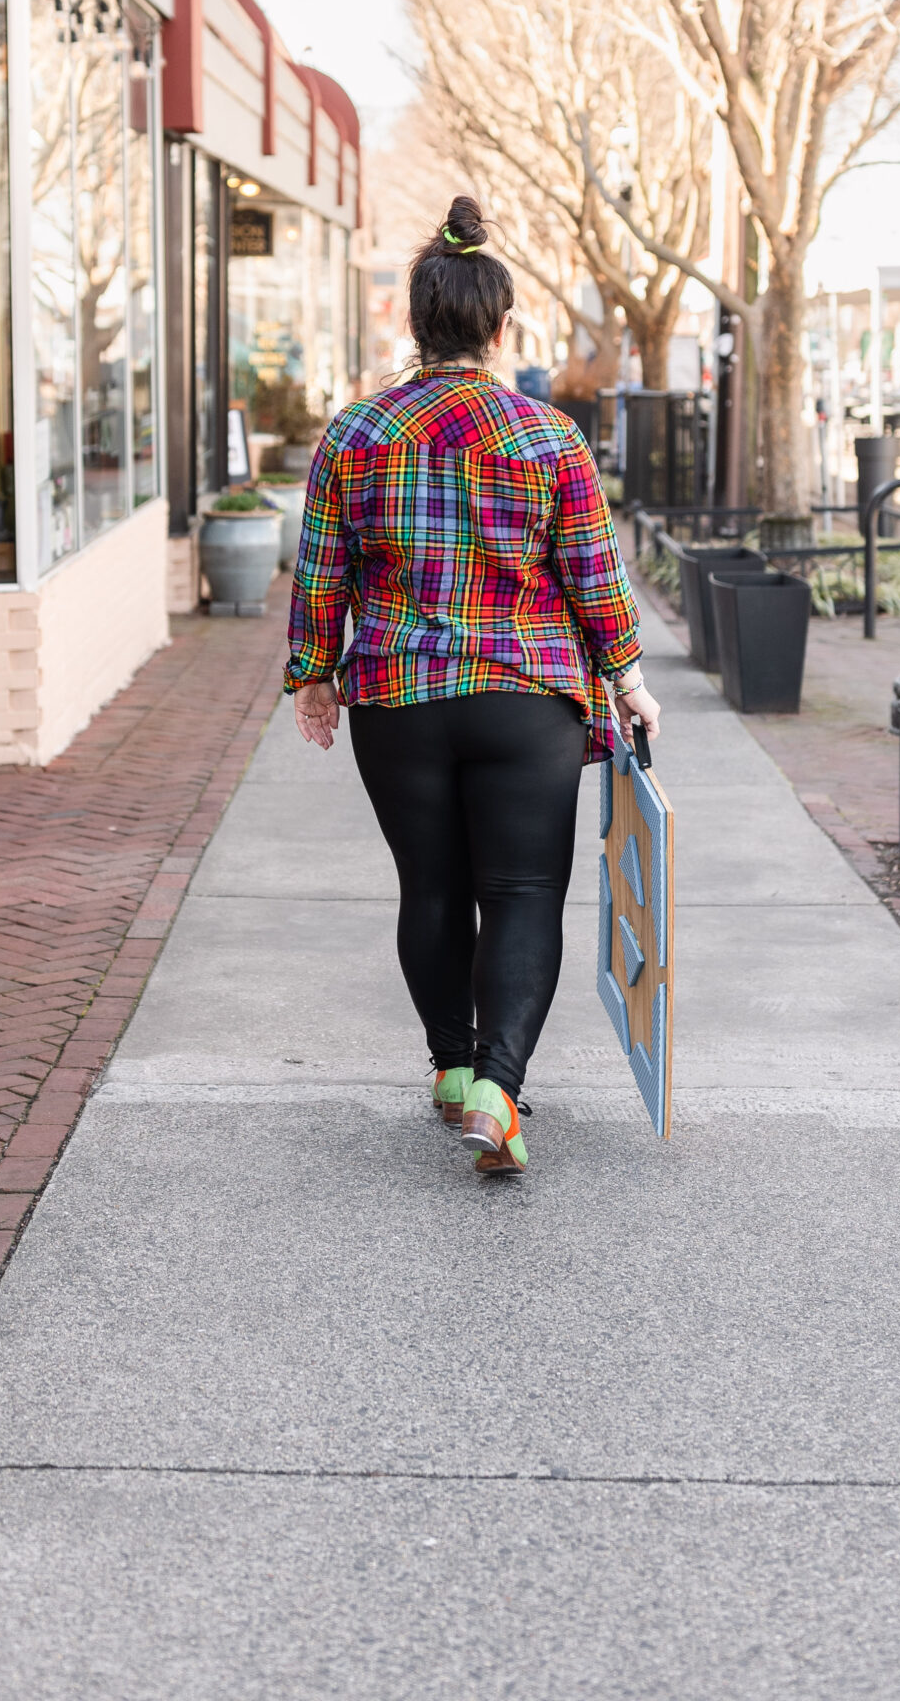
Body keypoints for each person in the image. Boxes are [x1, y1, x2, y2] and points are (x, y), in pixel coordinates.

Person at [285, 195, 661, 1176]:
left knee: (433, 885)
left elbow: (320, 570)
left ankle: (451, 1067)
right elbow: (591, 574)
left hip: (398, 701)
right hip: (524, 699)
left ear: (413, 322)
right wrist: (625, 678)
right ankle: (498, 1086)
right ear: (501, 329)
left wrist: (312, 677)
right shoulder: (547, 439)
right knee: (524, 886)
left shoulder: (353, 434)